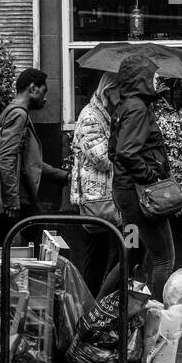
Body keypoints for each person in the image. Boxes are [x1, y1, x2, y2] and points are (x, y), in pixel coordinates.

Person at [97, 55, 176, 304]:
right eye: (152, 75)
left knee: (129, 255)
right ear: (140, 78)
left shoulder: (124, 106)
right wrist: (151, 178)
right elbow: (126, 152)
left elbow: (113, 151)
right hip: (140, 200)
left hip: (126, 200)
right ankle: (163, 317)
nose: (156, 78)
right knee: (164, 257)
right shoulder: (138, 109)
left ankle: (96, 310)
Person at [0, 67, 68, 248]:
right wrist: (11, 200)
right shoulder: (18, 114)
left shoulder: (11, 111)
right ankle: (28, 275)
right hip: (16, 194)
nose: (45, 98)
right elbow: (6, 157)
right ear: (32, 88)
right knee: (30, 236)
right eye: (43, 91)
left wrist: (61, 176)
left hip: (11, 192)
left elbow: (26, 160)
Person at [69, 72, 121, 296]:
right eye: (121, 90)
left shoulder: (106, 115)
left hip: (111, 198)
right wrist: (122, 146)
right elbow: (102, 158)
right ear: (108, 91)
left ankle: (106, 298)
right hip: (97, 200)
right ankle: (90, 302)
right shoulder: (91, 116)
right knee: (97, 255)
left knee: (122, 250)